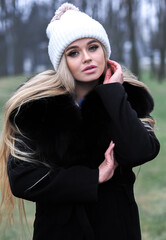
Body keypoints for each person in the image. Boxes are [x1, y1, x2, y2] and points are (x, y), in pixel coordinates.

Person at [0, 3, 160, 240]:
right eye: (73, 52)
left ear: (104, 50)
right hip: (58, 232)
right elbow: (22, 180)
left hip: (117, 228)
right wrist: (92, 177)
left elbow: (140, 151)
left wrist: (114, 93)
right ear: (61, 61)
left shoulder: (127, 98)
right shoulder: (38, 107)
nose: (87, 58)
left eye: (93, 47)